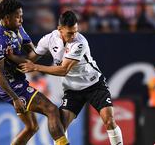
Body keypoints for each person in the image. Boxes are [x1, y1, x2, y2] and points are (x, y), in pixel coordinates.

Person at [12, 11, 123, 145]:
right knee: (60, 127)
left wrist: (35, 67)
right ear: (60, 29)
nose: (73, 36)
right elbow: (30, 58)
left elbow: (63, 70)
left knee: (109, 120)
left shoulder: (80, 42)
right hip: (72, 90)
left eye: (76, 31)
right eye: (70, 33)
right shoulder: (49, 39)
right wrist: (11, 60)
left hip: (94, 84)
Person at [0, 0, 69, 145]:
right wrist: (14, 98)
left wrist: (47, 47)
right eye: (18, 16)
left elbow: (32, 54)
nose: (21, 19)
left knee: (32, 127)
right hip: (12, 87)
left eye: (21, 15)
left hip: (20, 81)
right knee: (51, 110)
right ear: (7, 18)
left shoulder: (17, 28)